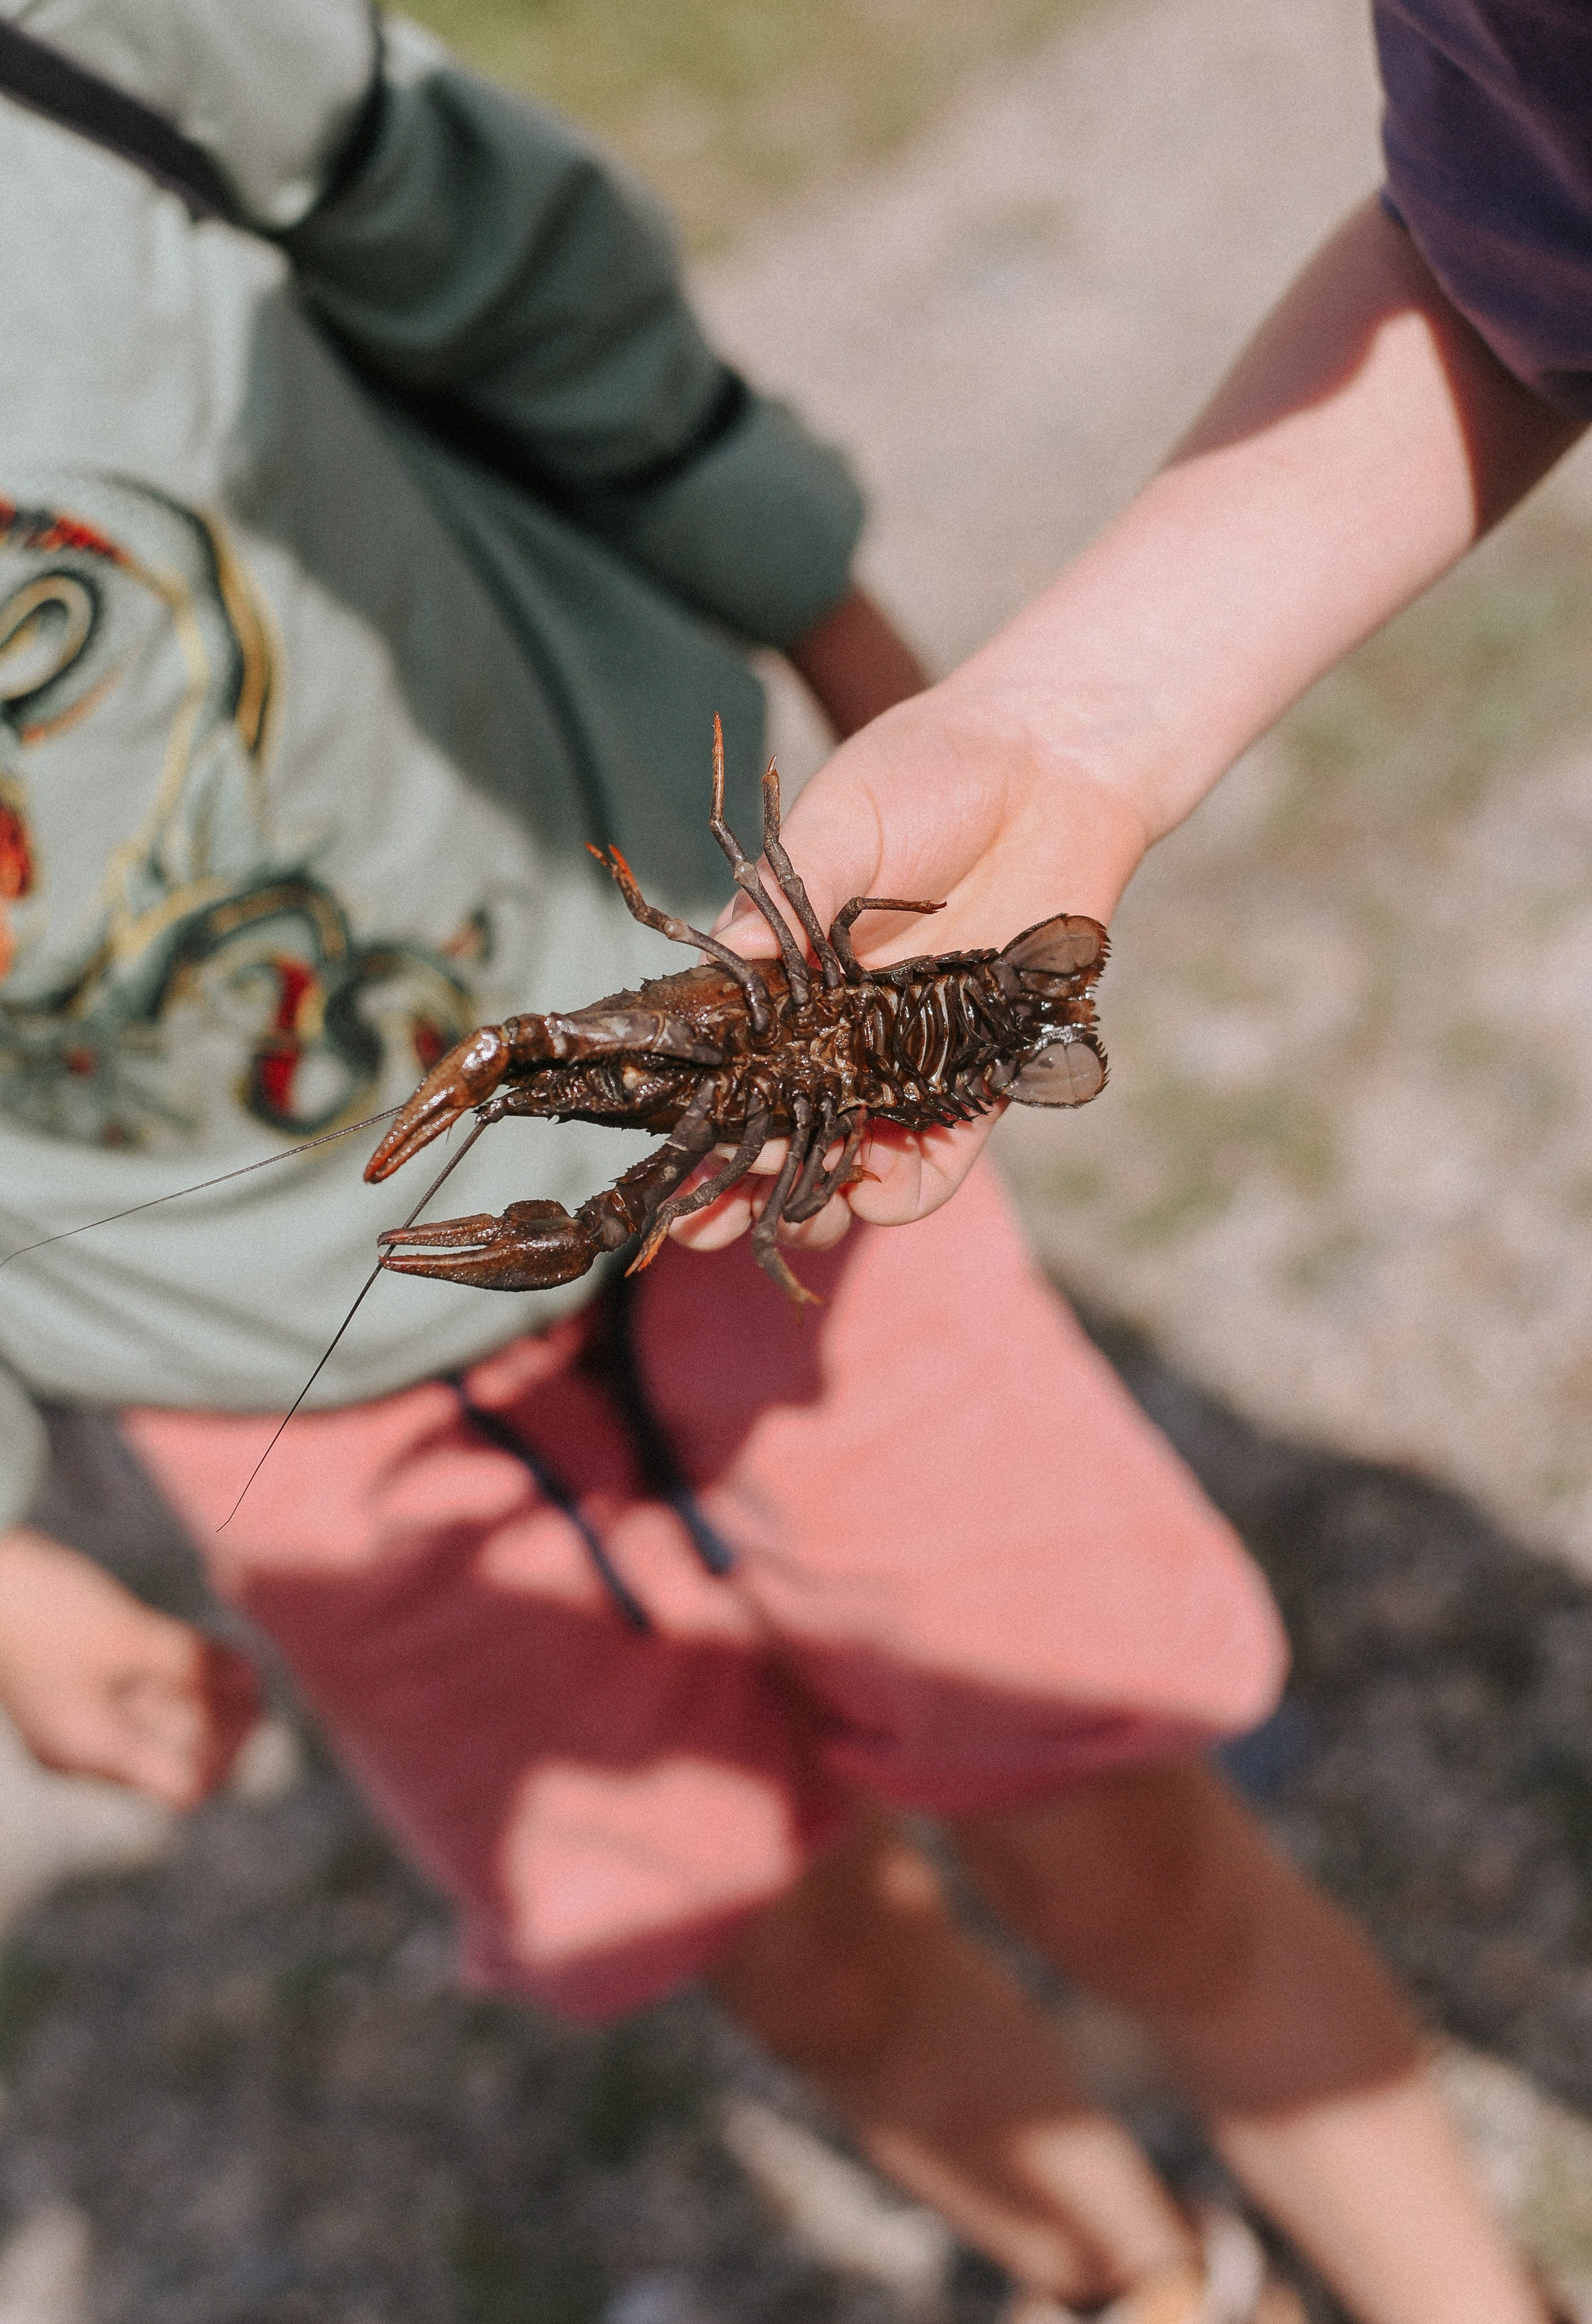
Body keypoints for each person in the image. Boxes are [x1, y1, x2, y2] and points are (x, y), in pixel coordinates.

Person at [0, 5, 1550, 2319]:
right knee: (763, 1932)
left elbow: (512, 263)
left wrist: (872, 639)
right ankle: (1129, 2274)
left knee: (1101, 1801)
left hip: (776, 1146)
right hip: (246, 1364)